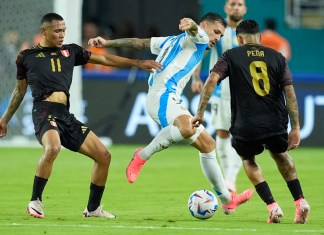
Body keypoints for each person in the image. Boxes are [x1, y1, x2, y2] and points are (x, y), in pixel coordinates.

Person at [88, 13, 253, 215]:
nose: (216, 38)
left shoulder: (170, 41)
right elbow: (194, 30)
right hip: (162, 97)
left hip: (168, 99)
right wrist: (191, 24)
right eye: (216, 32)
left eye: (220, 36)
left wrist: (107, 42)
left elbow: (139, 43)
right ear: (204, 26)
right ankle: (142, 155)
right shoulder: (200, 37)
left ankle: (227, 200)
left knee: (208, 145)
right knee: (186, 128)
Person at [0, 13, 161, 219]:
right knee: (53, 147)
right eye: (57, 30)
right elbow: (19, 90)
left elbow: (103, 58)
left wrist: (137, 63)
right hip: (44, 112)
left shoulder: (71, 51)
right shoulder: (26, 56)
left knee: (104, 156)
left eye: (64, 30)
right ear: (44, 32)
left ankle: (93, 209)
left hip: (65, 115)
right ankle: (35, 201)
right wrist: (4, 119)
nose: (61, 34)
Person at [192, 19, 310, 224]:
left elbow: (211, 80)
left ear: (239, 39)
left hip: (245, 124)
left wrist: (200, 112)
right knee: (280, 155)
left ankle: (273, 207)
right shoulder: (278, 57)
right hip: (275, 121)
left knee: (247, 159)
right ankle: (300, 202)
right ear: (260, 38)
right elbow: (290, 93)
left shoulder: (231, 55)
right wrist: (296, 127)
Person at [191, 0, 247, 193]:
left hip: (244, 94)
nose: (236, 7)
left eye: (240, 4)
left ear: (245, 9)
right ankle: (228, 178)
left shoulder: (249, 34)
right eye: (233, 4)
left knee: (242, 137)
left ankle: (230, 179)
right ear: (226, 8)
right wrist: (196, 77)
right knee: (223, 133)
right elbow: (201, 53)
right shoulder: (218, 33)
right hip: (221, 93)